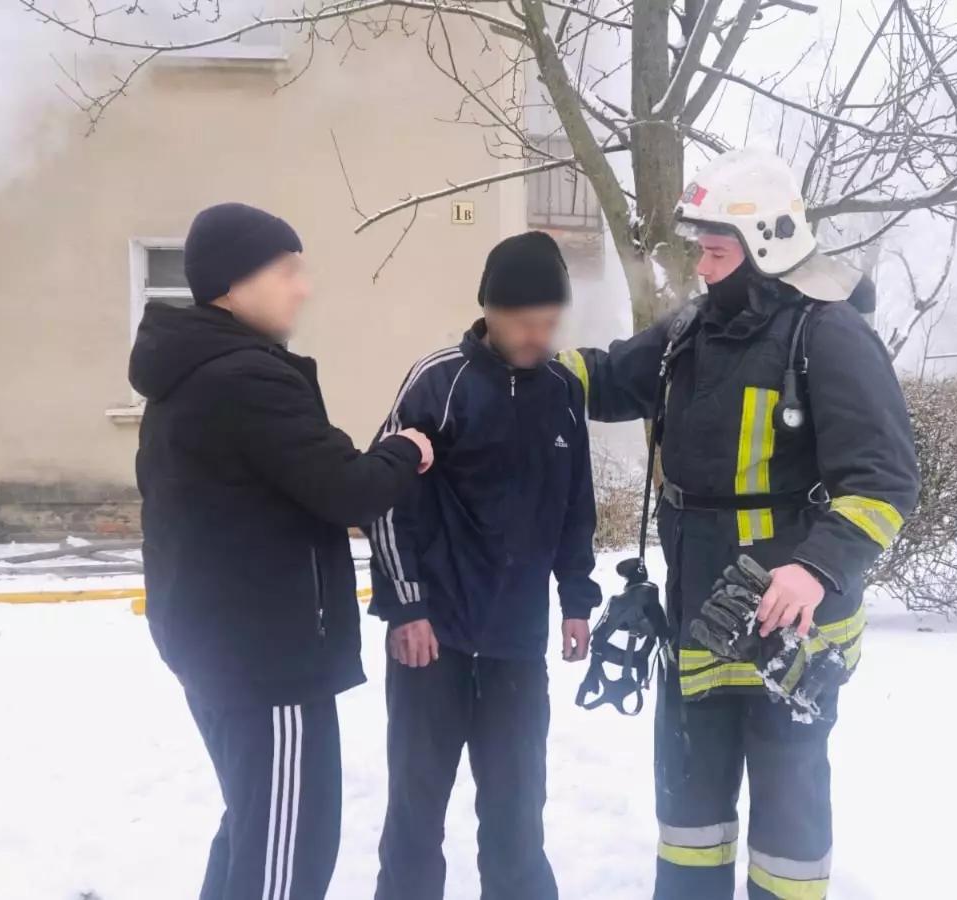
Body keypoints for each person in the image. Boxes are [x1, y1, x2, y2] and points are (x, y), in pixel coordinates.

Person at [559, 150, 921, 900]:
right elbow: (608, 377)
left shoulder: (829, 335)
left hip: (791, 634)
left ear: (765, 247)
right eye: (700, 249)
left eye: (716, 251)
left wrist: (815, 567)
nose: (700, 265)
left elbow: (884, 482)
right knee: (690, 822)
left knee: (788, 831)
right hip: (701, 615)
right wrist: (517, 365)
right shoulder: (692, 329)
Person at [129, 202, 434, 900]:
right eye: (288, 271)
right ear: (235, 282)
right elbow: (346, 489)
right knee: (288, 854)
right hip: (266, 661)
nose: (304, 287)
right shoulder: (246, 379)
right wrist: (403, 450)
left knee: (254, 829)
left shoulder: (187, 374)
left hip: (220, 651)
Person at [368, 230, 601, 900]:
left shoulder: (562, 391)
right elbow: (383, 497)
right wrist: (406, 606)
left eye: (549, 323)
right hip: (432, 641)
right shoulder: (439, 382)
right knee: (415, 819)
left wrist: (576, 598)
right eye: (526, 322)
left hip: (516, 646)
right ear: (491, 311)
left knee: (517, 819)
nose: (538, 337)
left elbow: (575, 504)